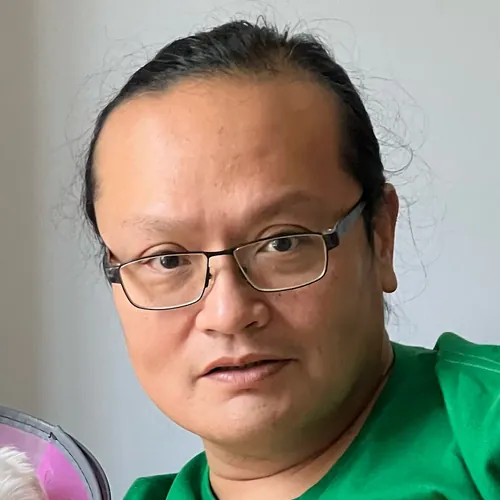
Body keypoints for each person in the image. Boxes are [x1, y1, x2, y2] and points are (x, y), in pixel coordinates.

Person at [81, 19, 500, 500]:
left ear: (380, 235)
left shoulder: (484, 432)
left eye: (281, 242)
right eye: (167, 261)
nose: (229, 314)